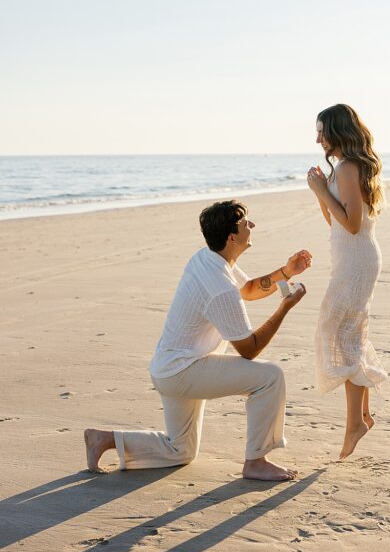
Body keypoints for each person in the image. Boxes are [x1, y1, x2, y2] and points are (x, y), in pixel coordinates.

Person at [83, 200, 312, 481]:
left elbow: (250, 289)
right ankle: (256, 461)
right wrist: (284, 308)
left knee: (180, 450)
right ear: (232, 237)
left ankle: (104, 439)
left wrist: (287, 272)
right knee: (270, 376)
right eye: (245, 224)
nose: (251, 227)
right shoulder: (220, 286)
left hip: (169, 367)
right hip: (184, 371)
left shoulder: (207, 258)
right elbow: (249, 350)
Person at [306, 104, 387, 460]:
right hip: (351, 258)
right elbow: (336, 223)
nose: (318, 137)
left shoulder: (351, 168)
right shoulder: (342, 169)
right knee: (348, 333)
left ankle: (355, 421)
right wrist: (321, 192)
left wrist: (324, 192)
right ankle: (363, 416)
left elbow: (353, 225)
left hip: (357, 260)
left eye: (322, 130)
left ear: (338, 131)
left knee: (339, 332)